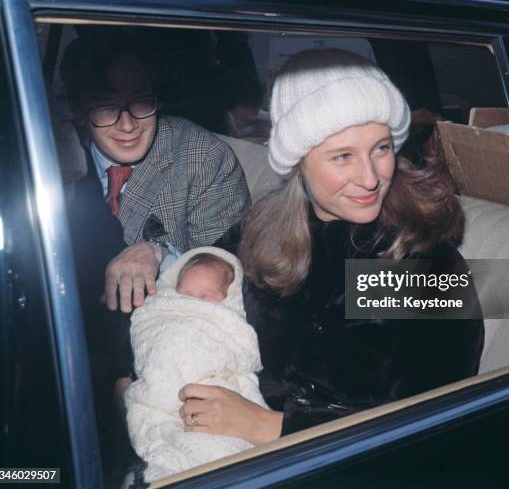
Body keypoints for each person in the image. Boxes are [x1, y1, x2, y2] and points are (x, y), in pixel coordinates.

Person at [176, 48, 485, 443]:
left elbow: (431, 425)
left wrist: (271, 427)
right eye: (343, 156)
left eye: (382, 148)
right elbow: (188, 297)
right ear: (298, 162)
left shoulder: (417, 262)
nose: (371, 177)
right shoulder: (264, 229)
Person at [60, 34, 250, 313]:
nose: (128, 125)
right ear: (78, 110)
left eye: (140, 102)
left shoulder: (203, 157)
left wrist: (158, 253)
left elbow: (231, 276)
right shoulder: (58, 160)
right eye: (105, 107)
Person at [124, 247, 268, 482]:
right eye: (185, 294)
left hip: (223, 398)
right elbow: (144, 331)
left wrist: (268, 425)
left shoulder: (352, 266)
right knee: (161, 451)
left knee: (218, 453)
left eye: (205, 297)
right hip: (157, 395)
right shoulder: (163, 310)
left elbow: (241, 350)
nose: (191, 302)